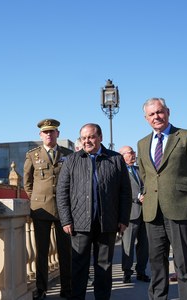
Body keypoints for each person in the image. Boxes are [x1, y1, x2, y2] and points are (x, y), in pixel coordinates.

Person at [136, 98, 187, 300]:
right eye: (151, 114)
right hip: (152, 213)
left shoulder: (185, 136)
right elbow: (145, 176)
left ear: (168, 112)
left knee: (185, 265)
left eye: (159, 112)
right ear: (146, 118)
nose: (156, 117)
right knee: (157, 265)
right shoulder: (142, 144)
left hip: (181, 209)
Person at [56, 123, 132, 300]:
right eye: (83, 138)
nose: (87, 141)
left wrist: (123, 219)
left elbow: (125, 192)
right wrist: (66, 220)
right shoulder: (72, 160)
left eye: (91, 137)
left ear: (100, 137)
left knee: (104, 268)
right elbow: (62, 192)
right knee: (79, 269)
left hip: (107, 223)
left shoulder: (115, 159)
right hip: (79, 224)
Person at [23, 118, 74, 300]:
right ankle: (42, 289)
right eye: (45, 132)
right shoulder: (32, 155)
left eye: (52, 131)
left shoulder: (68, 154)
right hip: (41, 210)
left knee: (65, 252)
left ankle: (66, 289)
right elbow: (27, 183)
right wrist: (37, 199)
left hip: (63, 210)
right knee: (42, 252)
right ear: (40, 135)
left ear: (57, 134)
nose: (49, 135)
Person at [118, 145, 150, 284]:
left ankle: (141, 272)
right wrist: (136, 198)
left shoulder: (139, 170)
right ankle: (127, 273)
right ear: (122, 156)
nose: (133, 155)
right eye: (130, 153)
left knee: (144, 246)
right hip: (130, 214)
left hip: (146, 213)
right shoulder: (119, 172)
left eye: (133, 152)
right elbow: (119, 194)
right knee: (127, 246)